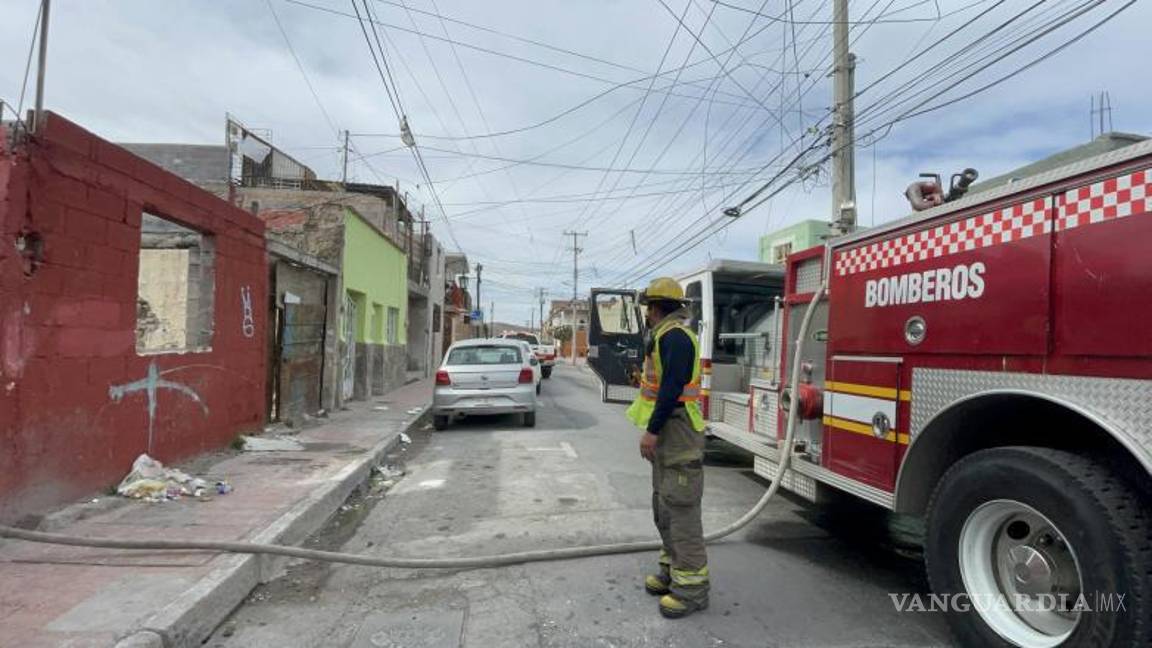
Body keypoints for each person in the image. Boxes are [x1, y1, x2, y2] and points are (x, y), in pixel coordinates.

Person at [625, 277, 709, 619]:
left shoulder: (673, 337)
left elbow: (672, 387)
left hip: (677, 432)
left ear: (654, 309)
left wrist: (652, 432)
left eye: (648, 308)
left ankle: (692, 590)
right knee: (664, 505)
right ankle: (673, 571)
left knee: (681, 509)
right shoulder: (665, 337)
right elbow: (661, 383)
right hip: (669, 431)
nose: (647, 314)